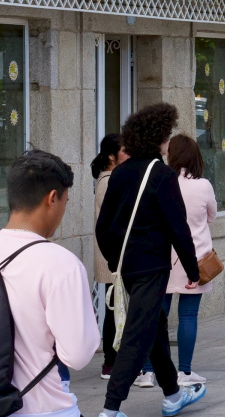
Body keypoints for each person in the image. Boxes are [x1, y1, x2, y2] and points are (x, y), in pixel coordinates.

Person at [0, 150, 101, 417]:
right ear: (52, 198)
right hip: (43, 409)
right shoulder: (62, 264)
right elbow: (78, 355)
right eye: (65, 202)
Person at [95, 103, 205, 417]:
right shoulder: (161, 175)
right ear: (158, 138)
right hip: (152, 268)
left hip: (128, 268)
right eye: (167, 136)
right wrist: (192, 268)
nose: (170, 142)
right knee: (136, 335)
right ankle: (110, 409)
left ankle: (172, 394)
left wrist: (116, 262)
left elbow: (103, 227)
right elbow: (178, 226)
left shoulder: (120, 174)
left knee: (154, 327)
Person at [158, 135, 217, 387]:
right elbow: (211, 216)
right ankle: (185, 371)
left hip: (163, 257)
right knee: (188, 315)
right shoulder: (203, 185)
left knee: (157, 314)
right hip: (196, 257)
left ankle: (149, 369)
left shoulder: (162, 181)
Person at [91, 133, 122, 379]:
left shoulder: (111, 178)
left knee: (115, 306)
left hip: (111, 252)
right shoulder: (108, 180)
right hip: (111, 253)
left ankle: (113, 359)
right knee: (113, 307)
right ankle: (110, 362)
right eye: (123, 150)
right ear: (112, 156)